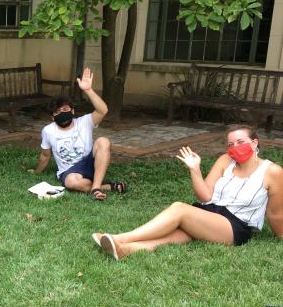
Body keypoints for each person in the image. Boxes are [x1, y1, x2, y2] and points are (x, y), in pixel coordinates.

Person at [93, 125, 283, 260]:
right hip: (210, 213)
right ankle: (126, 249)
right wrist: (195, 169)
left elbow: (275, 213)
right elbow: (205, 196)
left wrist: (280, 235)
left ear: (254, 142)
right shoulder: (226, 160)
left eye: (240, 142)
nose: (235, 148)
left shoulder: (272, 171)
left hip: (236, 226)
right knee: (178, 233)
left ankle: (121, 238)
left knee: (179, 209)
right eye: (230, 144)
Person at [30, 67, 126, 201]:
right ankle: (106, 187)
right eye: (57, 112)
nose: (62, 113)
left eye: (65, 109)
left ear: (72, 111)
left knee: (103, 141)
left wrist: (88, 90)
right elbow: (45, 155)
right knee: (71, 182)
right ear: (52, 117)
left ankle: (96, 187)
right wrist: (36, 172)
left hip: (89, 163)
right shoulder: (48, 130)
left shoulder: (84, 122)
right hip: (69, 171)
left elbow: (103, 111)